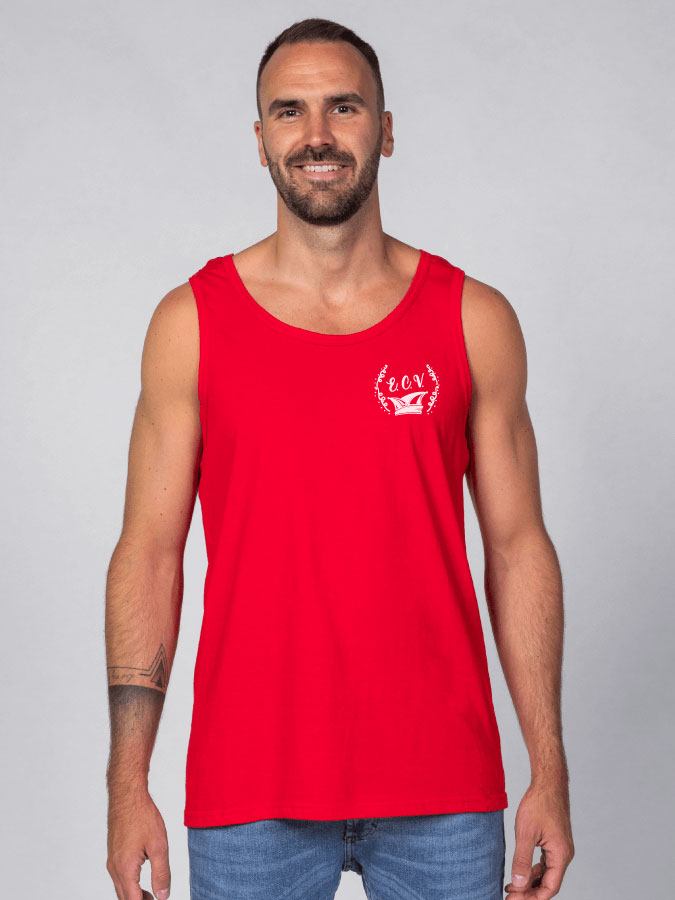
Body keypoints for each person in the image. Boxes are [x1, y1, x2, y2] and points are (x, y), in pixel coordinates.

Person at [105, 17, 574, 900]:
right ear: (260, 140)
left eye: (343, 108)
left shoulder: (472, 320)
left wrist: (547, 768)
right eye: (289, 111)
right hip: (250, 787)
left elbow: (517, 549)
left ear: (385, 130)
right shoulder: (190, 325)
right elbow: (148, 555)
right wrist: (127, 784)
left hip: (443, 786)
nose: (316, 134)